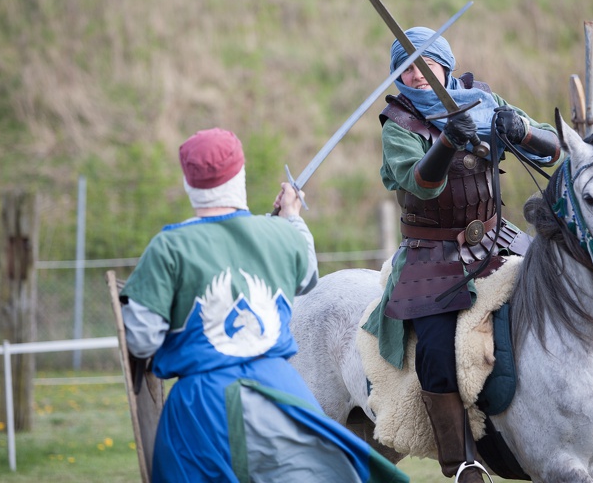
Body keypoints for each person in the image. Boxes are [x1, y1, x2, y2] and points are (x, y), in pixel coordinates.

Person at [120, 128, 408, 483]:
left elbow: (141, 340)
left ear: (189, 183)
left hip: (202, 403)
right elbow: (306, 276)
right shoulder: (281, 236)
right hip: (280, 392)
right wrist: (291, 216)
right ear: (239, 177)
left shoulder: (169, 246)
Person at [361, 27, 562, 482]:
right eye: (407, 67)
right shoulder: (400, 123)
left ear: (445, 66)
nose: (417, 75)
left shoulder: (484, 101)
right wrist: (448, 141)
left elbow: (552, 150)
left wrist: (522, 128)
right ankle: (462, 465)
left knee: (561, 294)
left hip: (497, 239)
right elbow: (420, 183)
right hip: (431, 253)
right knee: (435, 351)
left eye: (426, 63)